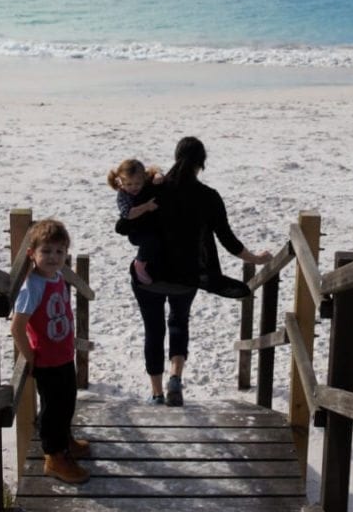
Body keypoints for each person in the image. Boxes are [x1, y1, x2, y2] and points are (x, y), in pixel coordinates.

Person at [130, 136, 272, 407]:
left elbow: (129, 216)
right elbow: (228, 241)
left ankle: (157, 393)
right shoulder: (209, 197)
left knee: (153, 330)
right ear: (202, 163)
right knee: (179, 323)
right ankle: (175, 377)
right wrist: (256, 257)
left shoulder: (153, 189)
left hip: (148, 276)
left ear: (175, 156)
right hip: (187, 277)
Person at [9, 218, 91, 484]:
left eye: (59, 251)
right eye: (46, 251)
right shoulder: (32, 286)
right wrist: (31, 358)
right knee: (53, 407)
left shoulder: (57, 276)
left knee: (67, 400)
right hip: (46, 360)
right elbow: (17, 327)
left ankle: (64, 440)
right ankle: (54, 457)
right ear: (32, 253)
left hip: (64, 355)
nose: (54, 257)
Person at [107, 158, 163, 285]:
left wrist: (158, 175)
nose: (133, 187)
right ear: (121, 182)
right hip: (135, 230)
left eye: (137, 183)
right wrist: (146, 207)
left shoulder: (147, 182)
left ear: (143, 179)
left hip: (149, 224)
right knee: (150, 240)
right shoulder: (123, 195)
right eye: (129, 184)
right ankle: (140, 263)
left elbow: (156, 172)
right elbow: (128, 214)